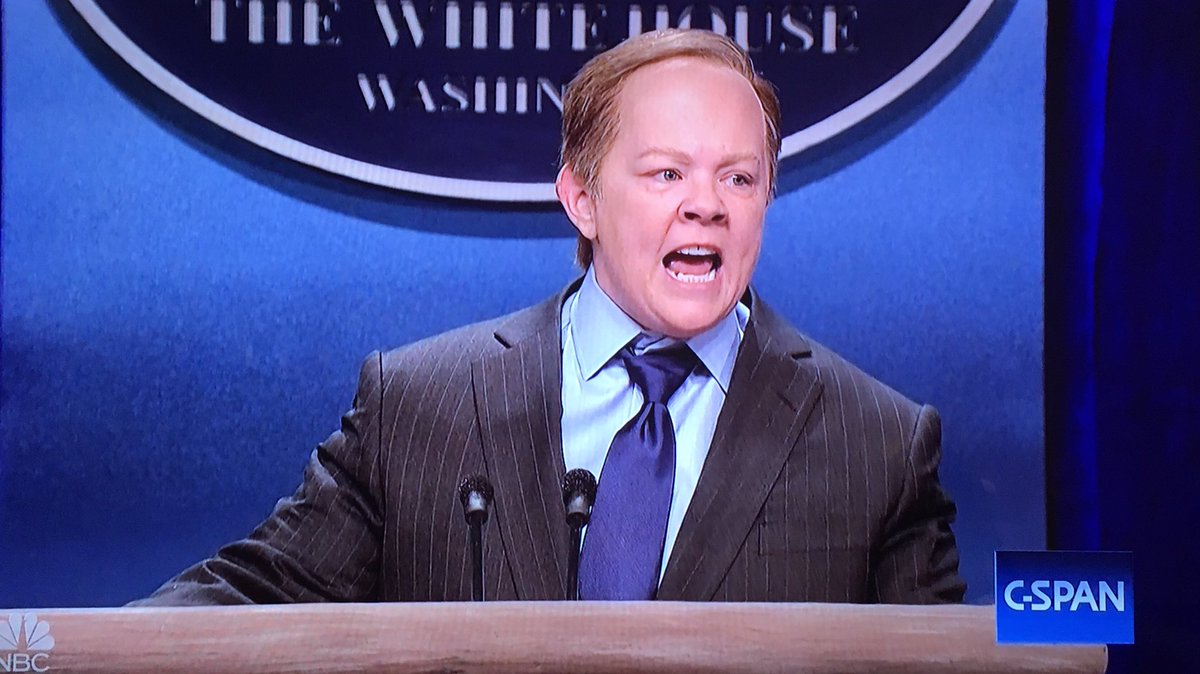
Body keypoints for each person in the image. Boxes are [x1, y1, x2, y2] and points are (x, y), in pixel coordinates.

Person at [133, 29, 965, 606]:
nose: (707, 205)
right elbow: (257, 596)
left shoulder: (879, 445)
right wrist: (67, 650)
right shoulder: (417, 407)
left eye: (739, 178)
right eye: (667, 174)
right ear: (581, 197)